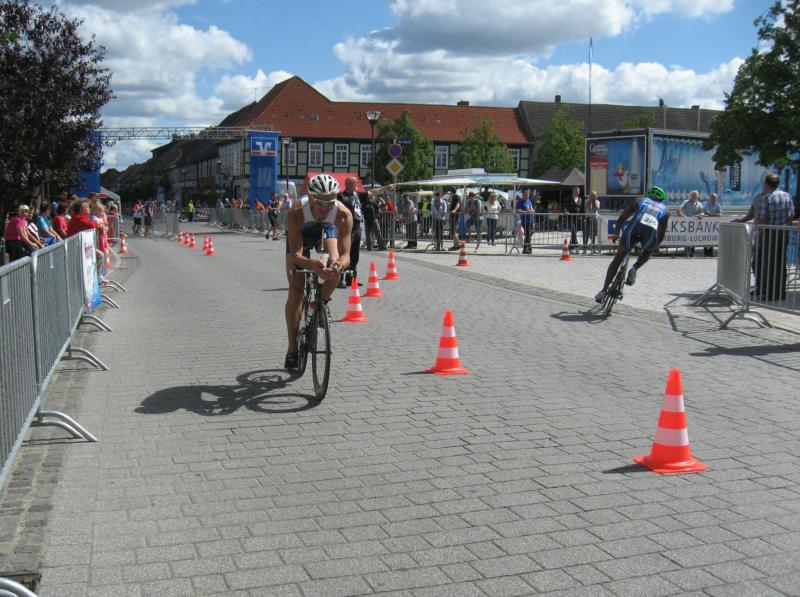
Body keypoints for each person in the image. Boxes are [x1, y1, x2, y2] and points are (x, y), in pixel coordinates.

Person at [284, 174, 353, 372]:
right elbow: (296, 255)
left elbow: (346, 256)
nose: (325, 208)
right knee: (296, 290)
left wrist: (338, 265)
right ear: (312, 198)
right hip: (302, 236)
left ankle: (320, 304)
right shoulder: (297, 211)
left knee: (335, 266)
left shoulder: (342, 214)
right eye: (321, 203)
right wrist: (311, 264)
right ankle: (292, 348)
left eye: (330, 203)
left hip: (327, 231)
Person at [595, 187, 670, 303]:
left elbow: (622, 218)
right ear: (661, 199)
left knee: (618, 258)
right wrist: (655, 246)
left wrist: (616, 233)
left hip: (634, 228)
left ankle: (604, 290)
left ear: (648, 195)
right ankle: (635, 268)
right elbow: (661, 233)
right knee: (648, 250)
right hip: (649, 233)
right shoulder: (665, 210)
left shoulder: (640, 200)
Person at [753, 173, 794, 301]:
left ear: (766, 183)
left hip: (769, 234)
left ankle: (770, 293)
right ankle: (780, 292)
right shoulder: (787, 196)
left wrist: (758, 235)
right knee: (781, 264)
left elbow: (762, 220)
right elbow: (791, 216)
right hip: (783, 233)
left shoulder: (766, 198)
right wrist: (786, 228)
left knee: (769, 264)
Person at [337, 177, 363, 286]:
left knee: (354, 255)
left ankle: (351, 279)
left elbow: (371, 193)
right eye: (355, 183)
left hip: (357, 227)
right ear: (348, 184)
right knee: (343, 253)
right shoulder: (340, 196)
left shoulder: (356, 195)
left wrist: (385, 188)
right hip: (346, 228)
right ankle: (338, 279)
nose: (357, 184)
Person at [677, 190, 704, 257]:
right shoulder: (686, 202)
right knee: (686, 237)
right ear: (690, 196)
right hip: (686, 223)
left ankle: (691, 252)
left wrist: (701, 215)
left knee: (693, 238)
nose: (694, 197)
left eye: (695, 196)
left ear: (697, 196)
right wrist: (680, 213)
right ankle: (687, 252)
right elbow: (680, 209)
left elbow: (702, 212)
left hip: (694, 225)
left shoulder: (699, 204)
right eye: (693, 195)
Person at [566, 186, 583, 254]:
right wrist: (566, 211)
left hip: (578, 218)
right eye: (576, 191)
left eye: (578, 191)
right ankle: (576, 246)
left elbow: (581, 208)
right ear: (573, 191)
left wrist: (582, 215)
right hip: (570, 217)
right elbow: (565, 207)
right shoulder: (568, 198)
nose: (577, 192)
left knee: (574, 233)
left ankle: (571, 247)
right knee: (573, 231)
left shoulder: (580, 199)